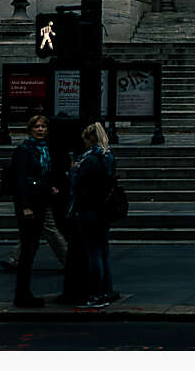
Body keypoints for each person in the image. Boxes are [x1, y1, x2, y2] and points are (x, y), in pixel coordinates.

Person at [6, 114, 68, 308]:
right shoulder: (24, 150)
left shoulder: (44, 150)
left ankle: (24, 293)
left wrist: (50, 187)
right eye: (36, 127)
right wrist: (24, 206)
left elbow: (42, 176)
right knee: (28, 249)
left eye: (43, 126)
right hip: (29, 204)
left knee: (31, 249)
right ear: (30, 129)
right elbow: (19, 180)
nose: (40, 129)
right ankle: (22, 294)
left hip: (41, 201)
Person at [68, 121, 120, 307]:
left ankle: (96, 294)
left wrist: (73, 171)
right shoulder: (108, 157)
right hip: (105, 209)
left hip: (89, 209)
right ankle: (106, 290)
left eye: (86, 140)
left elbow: (78, 184)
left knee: (93, 252)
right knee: (103, 251)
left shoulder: (89, 160)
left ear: (90, 139)